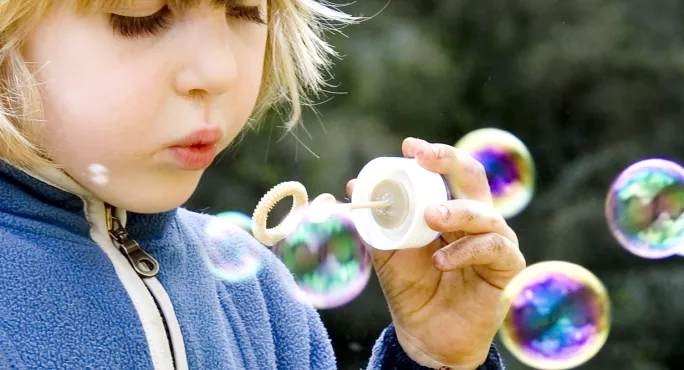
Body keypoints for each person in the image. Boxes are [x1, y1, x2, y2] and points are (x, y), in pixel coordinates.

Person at [0, 0, 526, 369]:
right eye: (141, 15)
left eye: (245, 11)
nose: (220, 68)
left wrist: (434, 360)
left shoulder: (260, 298)